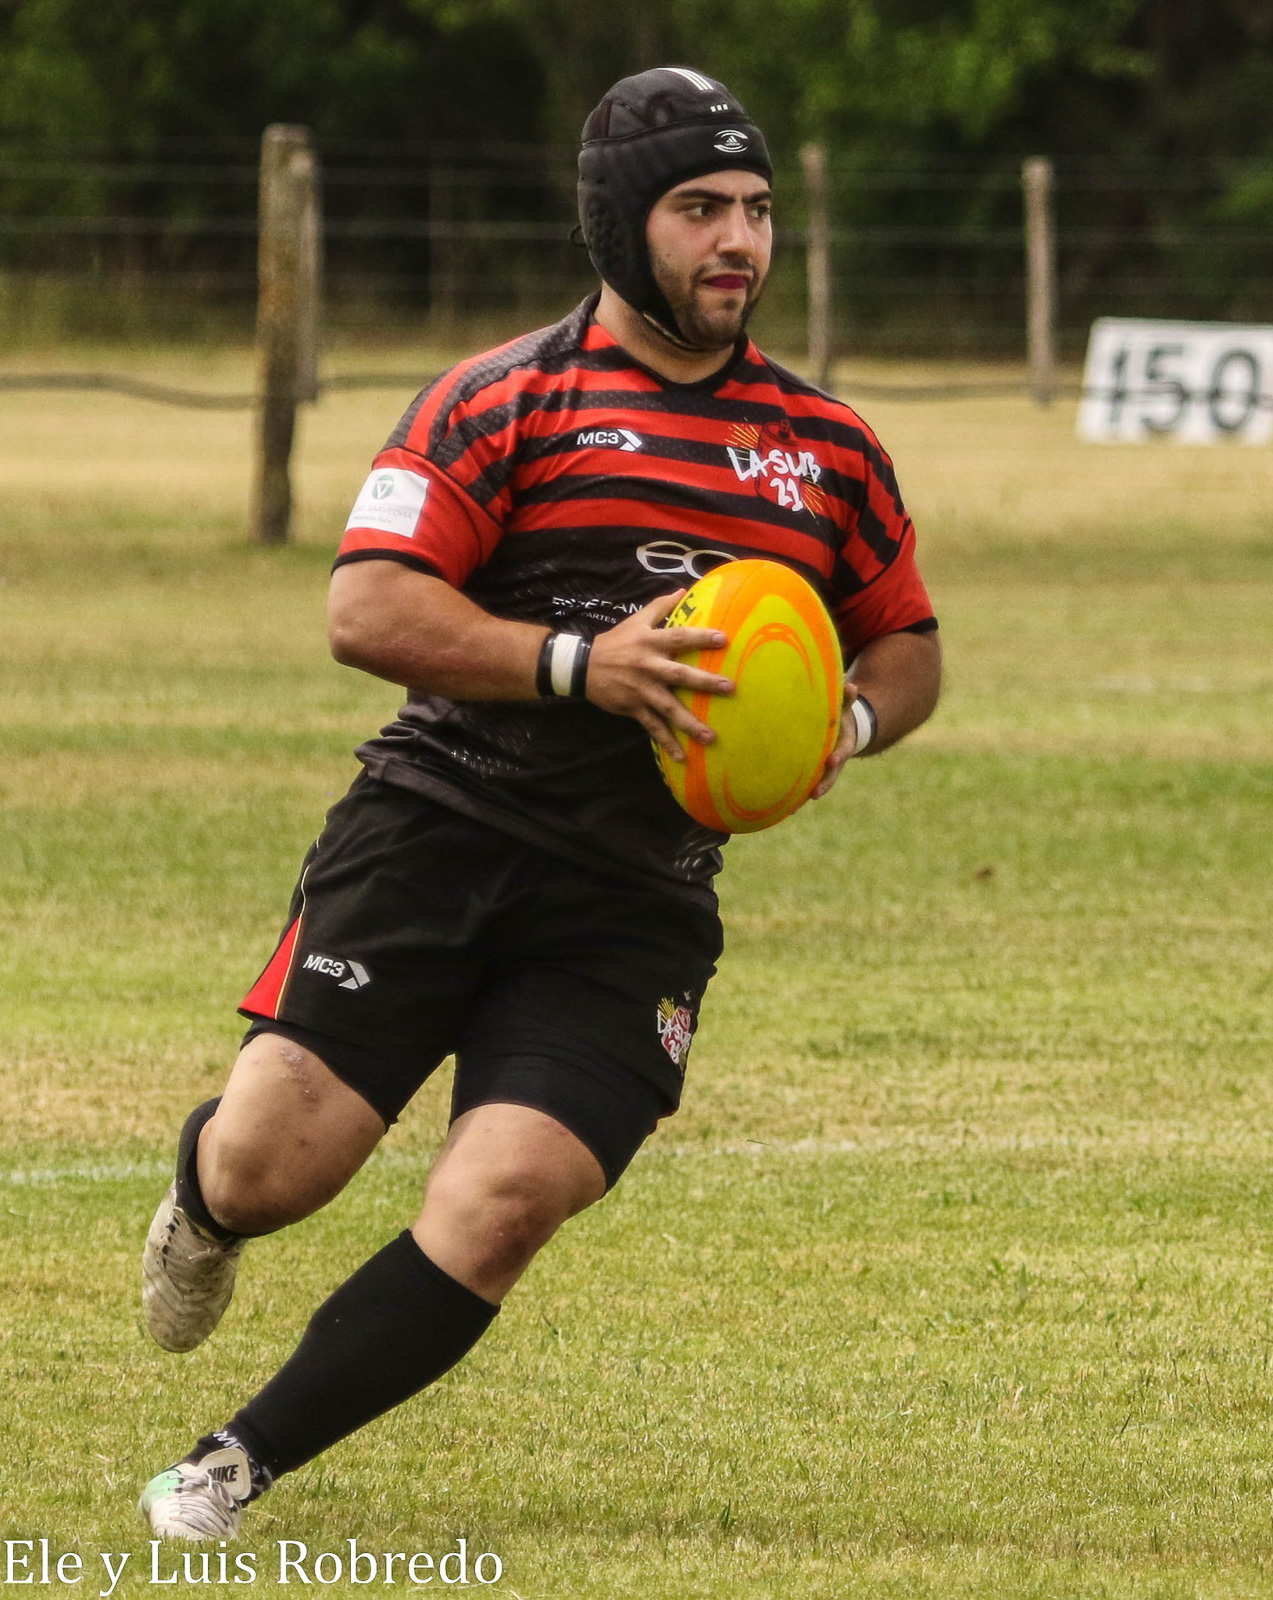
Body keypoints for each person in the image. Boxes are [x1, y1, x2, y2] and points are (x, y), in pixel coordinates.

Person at [137, 65, 942, 1540]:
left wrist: (854, 715)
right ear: (621, 225)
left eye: (756, 212)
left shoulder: (823, 447)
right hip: (437, 830)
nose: (739, 243)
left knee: (506, 1199)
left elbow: (907, 636)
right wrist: (581, 664)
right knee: (272, 1169)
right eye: (700, 209)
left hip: (633, 897)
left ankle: (232, 1466)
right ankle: (202, 1201)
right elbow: (368, 609)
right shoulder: (502, 398)